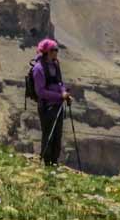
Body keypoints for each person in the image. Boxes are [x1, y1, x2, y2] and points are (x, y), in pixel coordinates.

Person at [31, 38, 72, 166]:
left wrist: (64, 93)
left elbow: (60, 82)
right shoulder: (38, 69)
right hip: (46, 107)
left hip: (58, 106)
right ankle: (46, 162)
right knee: (48, 134)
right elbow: (41, 92)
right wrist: (60, 96)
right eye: (54, 50)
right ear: (47, 51)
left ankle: (54, 162)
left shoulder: (55, 65)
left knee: (57, 136)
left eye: (57, 50)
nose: (56, 52)